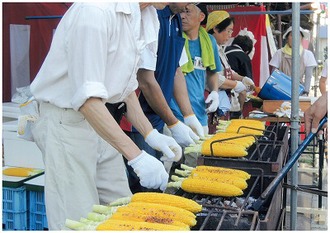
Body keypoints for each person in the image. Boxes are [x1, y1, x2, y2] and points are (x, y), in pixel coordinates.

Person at [29, 3, 182, 230]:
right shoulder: (95, 11)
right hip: (66, 122)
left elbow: (124, 86)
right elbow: (87, 99)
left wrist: (150, 134)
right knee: (77, 218)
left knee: (119, 208)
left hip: (104, 119)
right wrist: (136, 156)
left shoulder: (146, 16)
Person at [121, 2, 205, 193]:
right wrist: (174, 123)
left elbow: (177, 70)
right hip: (137, 119)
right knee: (145, 184)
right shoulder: (153, 18)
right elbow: (146, 81)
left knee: (158, 178)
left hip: (158, 118)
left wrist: (189, 115)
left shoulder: (176, 22)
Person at [169, 3, 221, 166]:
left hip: (198, 114)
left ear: (201, 17)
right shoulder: (172, 37)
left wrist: (214, 92)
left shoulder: (209, 41)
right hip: (172, 114)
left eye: (187, 12)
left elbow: (212, 71)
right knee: (170, 163)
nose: (182, 16)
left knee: (192, 167)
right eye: (181, 12)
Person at [206, 10, 255, 119]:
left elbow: (227, 70)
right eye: (228, 31)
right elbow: (214, 78)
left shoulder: (220, 48)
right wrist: (235, 85)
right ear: (215, 28)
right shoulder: (207, 47)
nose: (230, 35)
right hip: (211, 101)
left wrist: (242, 78)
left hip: (224, 101)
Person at [269, 25, 317, 96]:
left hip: (299, 91)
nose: (295, 38)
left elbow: (308, 76)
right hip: (280, 90)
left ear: (302, 38)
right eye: (292, 35)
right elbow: (273, 74)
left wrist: (305, 92)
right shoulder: (279, 53)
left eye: (298, 35)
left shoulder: (308, 54)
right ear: (287, 38)